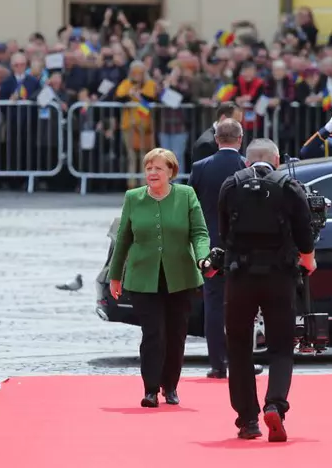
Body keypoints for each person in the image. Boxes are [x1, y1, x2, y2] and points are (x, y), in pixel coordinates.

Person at [218, 138, 316, 442]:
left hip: (240, 277)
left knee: (238, 347)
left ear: (247, 162)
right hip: (280, 276)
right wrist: (308, 262)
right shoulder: (288, 187)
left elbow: (223, 231)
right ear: (276, 160)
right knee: (281, 346)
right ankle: (275, 404)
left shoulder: (231, 186)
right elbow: (305, 233)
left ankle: (247, 419)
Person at [108, 148, 210, 408]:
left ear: (171, 172)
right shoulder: (133, 197)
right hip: (143, 277)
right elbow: (123, 239)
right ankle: (151, 389)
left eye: (158, 168)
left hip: (181, 276)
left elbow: (199, 233)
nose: (152, 173)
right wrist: (115, 275)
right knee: (153, 334)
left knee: (176, 334)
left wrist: (203, 258)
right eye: (149, 168)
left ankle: (171, 386)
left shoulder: (186, 195)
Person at [188, 119, 263, 379]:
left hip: (210, 245)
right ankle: (241, 362)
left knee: (214, 304)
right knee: (244, 305)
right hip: (244, 245)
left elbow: (192, 207)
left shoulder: (200, 168)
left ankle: (217, 363)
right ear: (240, 139)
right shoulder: (247, 167)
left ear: (216, 139)